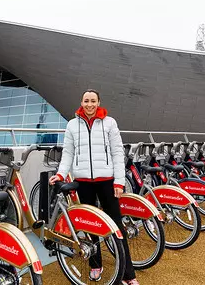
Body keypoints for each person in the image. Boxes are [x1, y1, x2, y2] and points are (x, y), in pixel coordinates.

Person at [49, 89, 139, 285]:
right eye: (86, 101)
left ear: (99, 102)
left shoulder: (109, 123)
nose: (89, 104)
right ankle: (95, 265)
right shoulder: (73, 125)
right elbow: (68, 153)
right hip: (83, 183)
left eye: (93, 101)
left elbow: (117, 153)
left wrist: (119, 182)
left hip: (107, 181)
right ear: (81, 103)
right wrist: (61, 174)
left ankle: (128, 274)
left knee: (116, 226)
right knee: (90, 226)